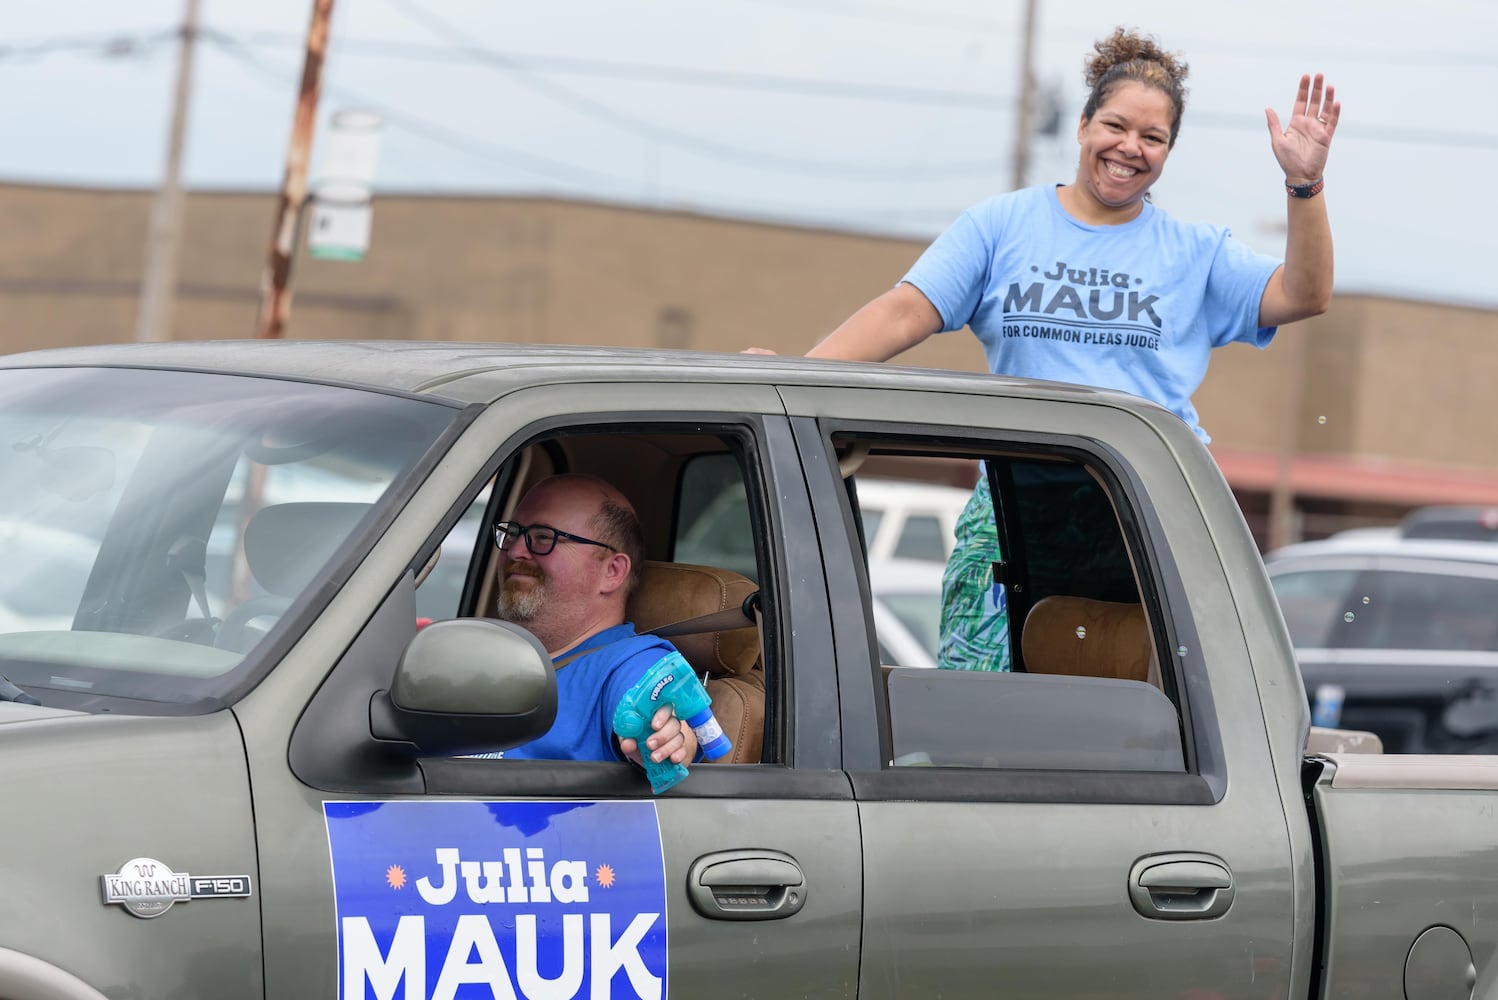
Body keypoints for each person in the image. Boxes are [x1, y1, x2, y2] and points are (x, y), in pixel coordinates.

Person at [753, 27, 1340, 673]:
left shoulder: (1196, 252)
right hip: (1015, 505)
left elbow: (1304, 294)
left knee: (1151, 707)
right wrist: (790, 381)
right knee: (975, 700)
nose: (1130, 148)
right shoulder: (1002, 225)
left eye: (1154, 137)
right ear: (1085, 125)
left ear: (1169, 151)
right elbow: (904, 310)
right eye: (1116, 125)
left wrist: (1304, 187)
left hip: (1149, 504)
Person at [475, 473, 699, 766]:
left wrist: (664, 739)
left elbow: (662, 715)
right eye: (513, 533)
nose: (516, 550)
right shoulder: (482, 658)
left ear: (613, 571)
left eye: (543, 537)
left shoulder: (630, 663)